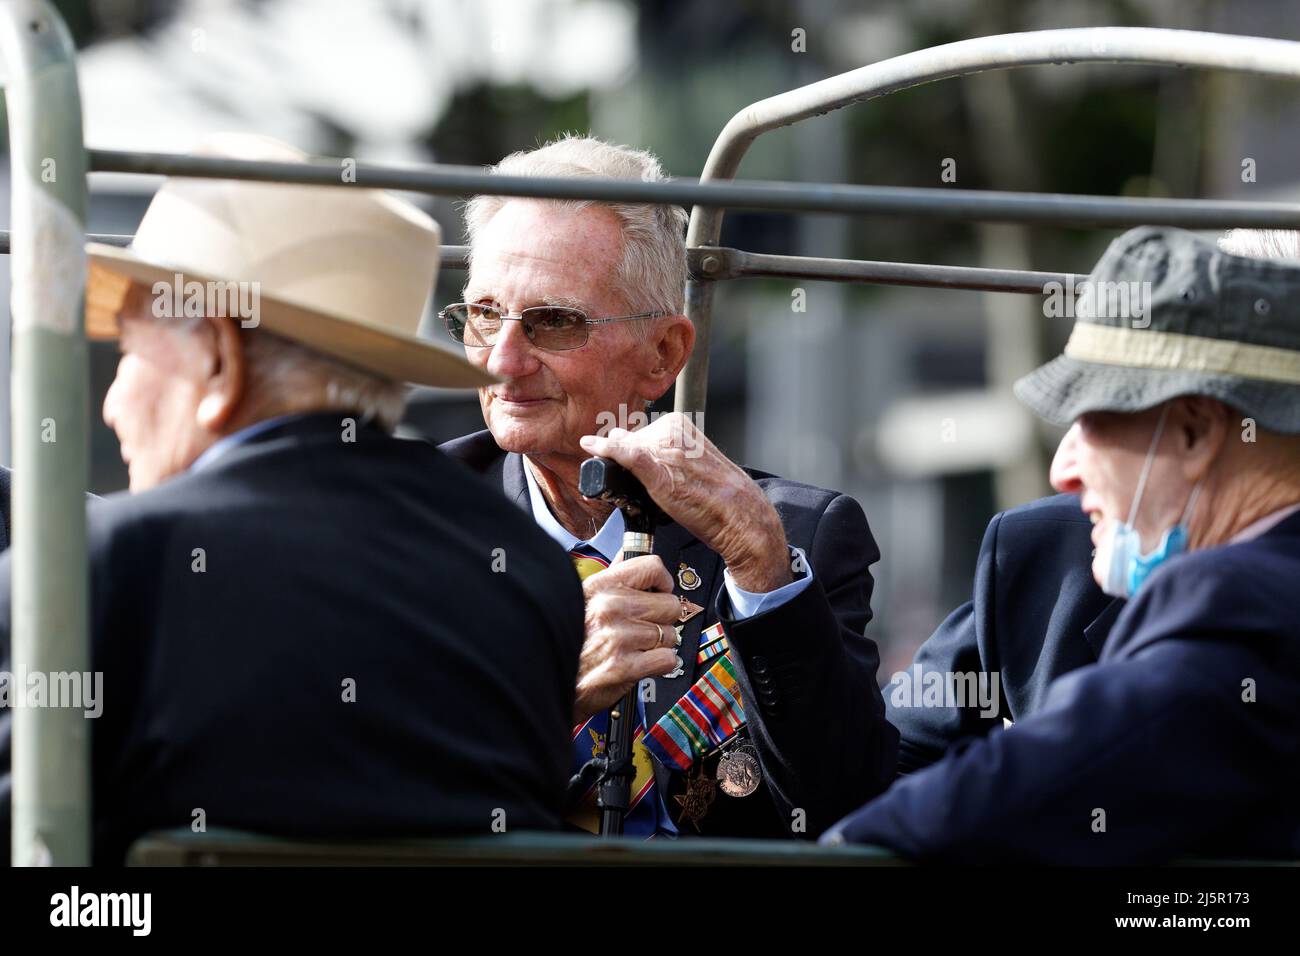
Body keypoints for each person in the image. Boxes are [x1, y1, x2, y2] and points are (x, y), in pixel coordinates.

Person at [0, 135, 585, 865]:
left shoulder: (94, 565)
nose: (113, 403)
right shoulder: (532, 574)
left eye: (127, 350)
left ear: (218, 359)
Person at [440, 134, 896, 838]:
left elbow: (845, 810)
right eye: (483, 314)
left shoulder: (790, 539)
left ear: (664, 355)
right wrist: (546, 695)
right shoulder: (408, 518)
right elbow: (339, 782)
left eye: (552, 322)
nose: (503, 360)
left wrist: (763, 573)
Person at [824, 225, 1300, 863]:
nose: (1064, 467)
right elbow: (883, 761)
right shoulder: (1048, 558)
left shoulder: (1235, 598)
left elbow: (967, 806)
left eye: (1098, 419)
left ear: (1194, 433)